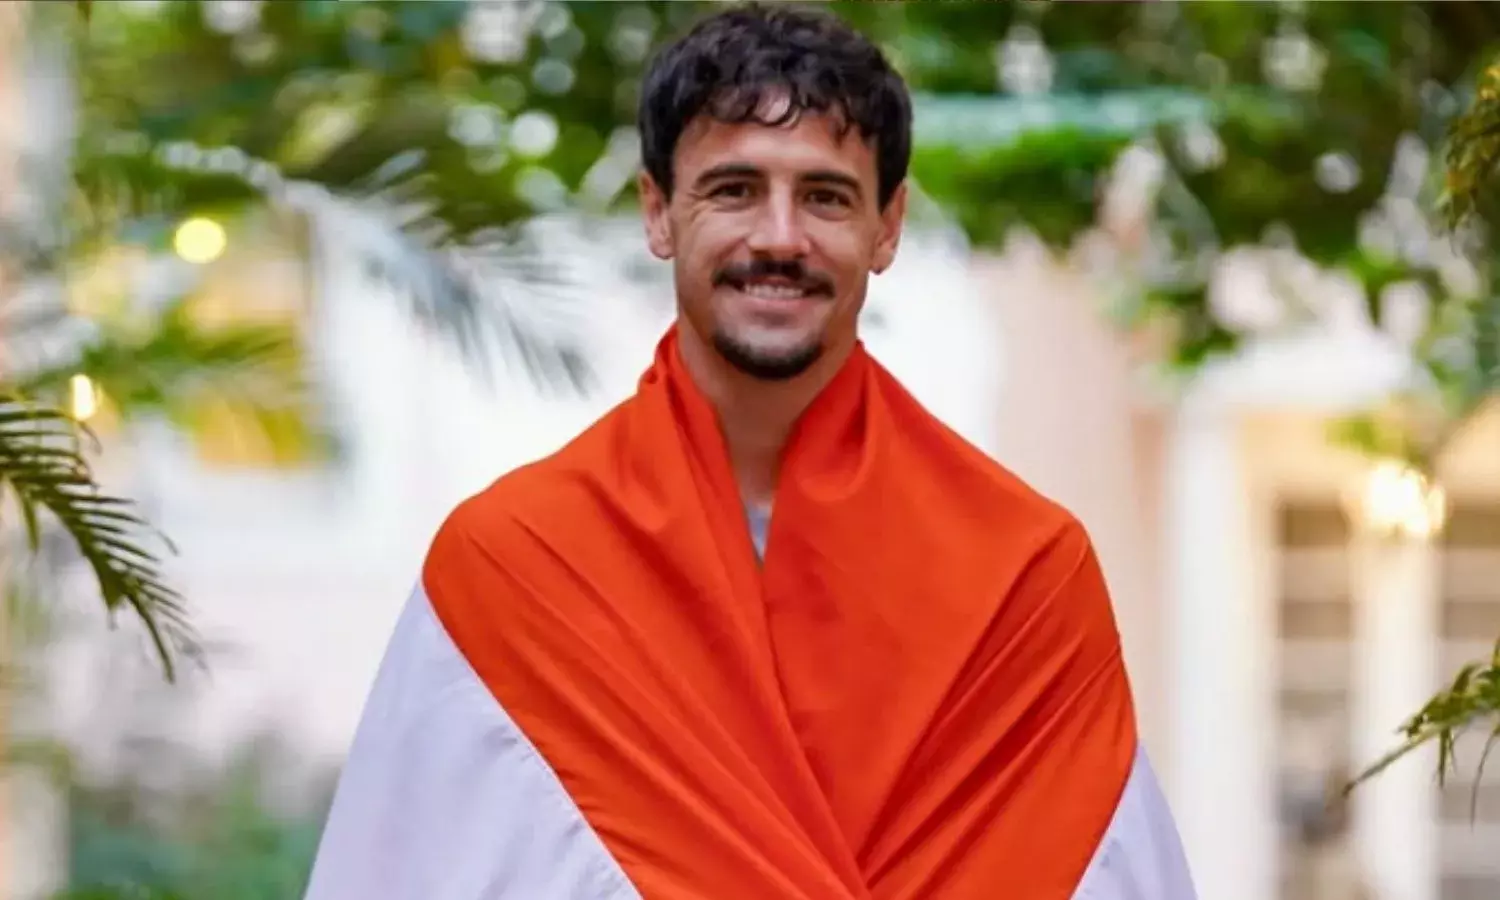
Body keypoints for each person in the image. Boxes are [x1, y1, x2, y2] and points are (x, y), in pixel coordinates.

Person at [303, 4, 1197, 898]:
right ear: (658, 211)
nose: (778, 237)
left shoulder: (1024, 575)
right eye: (733, 190)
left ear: (888, 226)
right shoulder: (510, 573)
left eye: (825, 196)